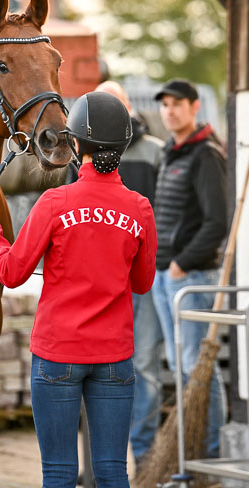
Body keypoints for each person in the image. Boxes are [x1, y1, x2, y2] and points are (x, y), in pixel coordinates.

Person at [0, 91, 157, 488]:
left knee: (57, 472)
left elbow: (10, 271)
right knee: (111, 471)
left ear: (75, 144)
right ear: (122, 146)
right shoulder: (139, 207)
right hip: (113, 356)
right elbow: (142, 283)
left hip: (58, 355)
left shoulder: (55, 202)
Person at [151, 78, 228, 458]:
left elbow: (217, 222)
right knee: (180, 365)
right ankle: (195, 450)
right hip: (163, 275)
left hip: (191, 277)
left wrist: (182, 265)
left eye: (177, 104)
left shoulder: (206, 154)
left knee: (199, 367)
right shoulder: (171, 150)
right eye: (165, 104)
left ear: (195, 107)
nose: (170, 111)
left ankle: (212, 453)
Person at [95, 81, 164, 469]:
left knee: (146, 365)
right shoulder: (83, 157)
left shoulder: (154, 152)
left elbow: (165, 212)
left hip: (142, 279)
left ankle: (146, 458)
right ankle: (104, 462)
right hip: (102, 282)